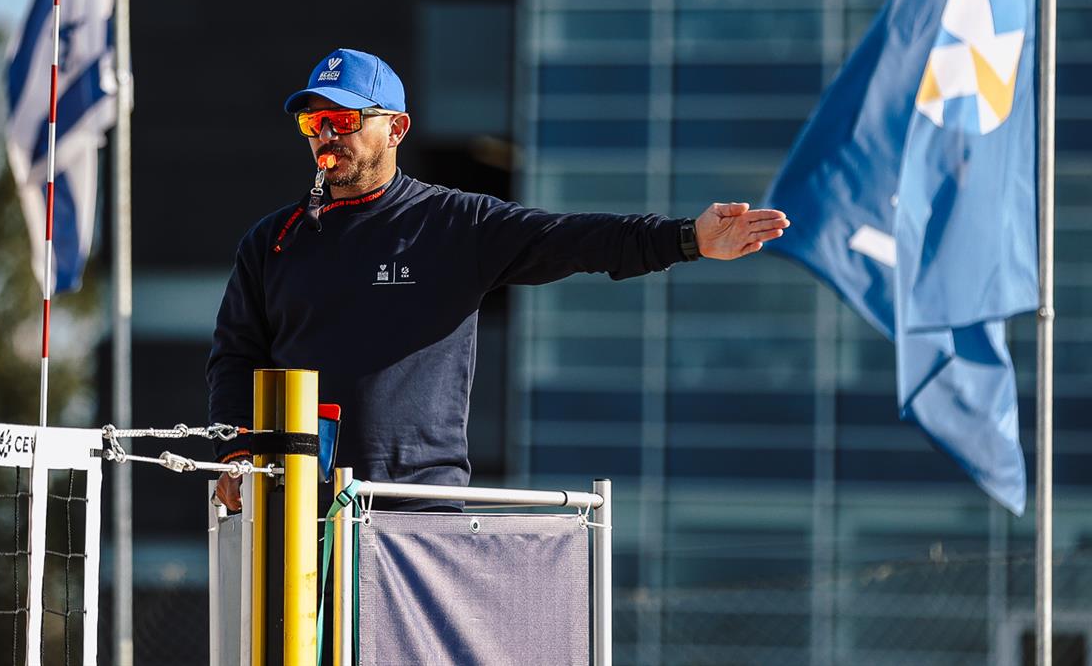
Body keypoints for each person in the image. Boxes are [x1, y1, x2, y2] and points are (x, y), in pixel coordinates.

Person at [208, 48, 790, 511]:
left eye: (342, 120)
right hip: (294, 507)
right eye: (313, 122)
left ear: (396, 128)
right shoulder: (273, 240)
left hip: (417, 511)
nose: (325, 136)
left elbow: (575, 238)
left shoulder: (453, 223)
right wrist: (233, 454)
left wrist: (688, 239)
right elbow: (235, 356)